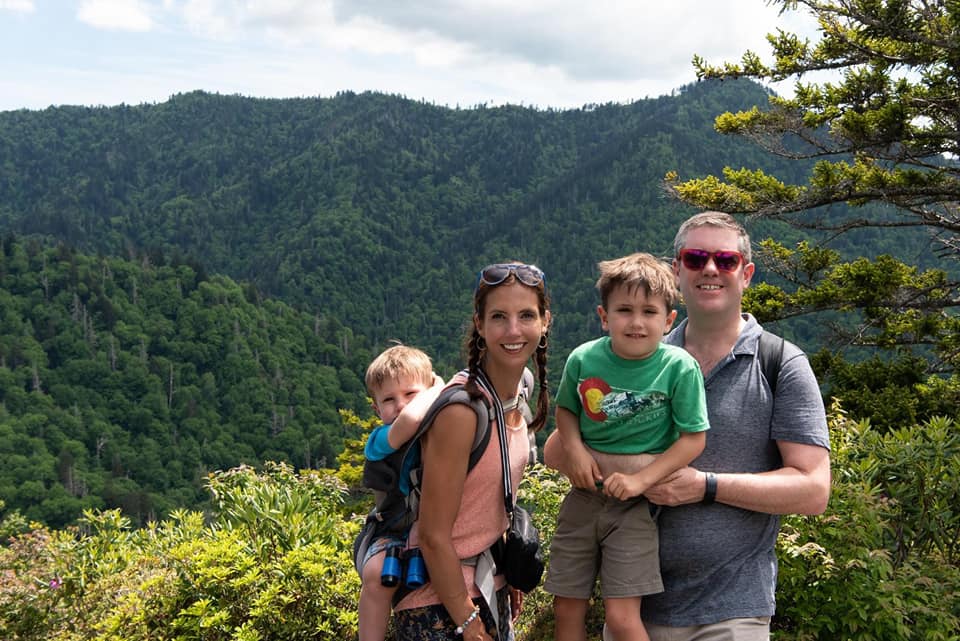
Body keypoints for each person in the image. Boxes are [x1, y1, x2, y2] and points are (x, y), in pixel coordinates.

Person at [544, 211, 831, 641]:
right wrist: (586, 454)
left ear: (746, 273)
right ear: (677, 271)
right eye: (695, 258)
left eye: (726, 260)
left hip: (732, 610)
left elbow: (813, 490)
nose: (710, 269)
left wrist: (707, 485)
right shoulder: (635, 350)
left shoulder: (780, 363)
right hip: (637, 610)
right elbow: (554, 452)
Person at [545, 252, 709, 641]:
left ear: (668, 321)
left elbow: (694, 438)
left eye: (649, 312)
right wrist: (575, 451)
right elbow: (566, 410)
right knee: (567, 606)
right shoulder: (584, 359)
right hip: (582, 497)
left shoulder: (679, 368)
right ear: (604, 317)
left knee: (621, 617)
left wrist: (642, 481)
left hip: (636, 508)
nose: (636, 322)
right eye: (624, 310)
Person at [393, 262, 552, 641]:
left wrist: (504, 570)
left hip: (486, 588)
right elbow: (433, 534)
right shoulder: (462, 412)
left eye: (526, 315)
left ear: (545, 321)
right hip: (438, 605)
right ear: (479, 324)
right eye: (499, 316)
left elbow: (486, 502)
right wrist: (466, 620)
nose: (513, 330)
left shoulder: (517, 393)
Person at [358, 344, 445, 641]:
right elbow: (411, 421)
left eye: (411, 394)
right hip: (394, 528)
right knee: (377, 574)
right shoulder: (381, 438)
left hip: (436, 526)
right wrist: (438, 388)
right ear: (376, 409)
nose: (401, 406)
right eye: (389, 400)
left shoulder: (443, 426)